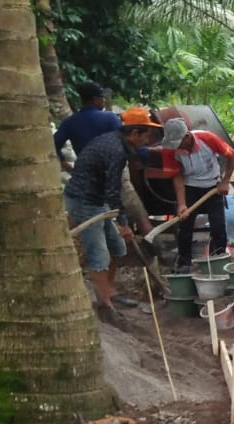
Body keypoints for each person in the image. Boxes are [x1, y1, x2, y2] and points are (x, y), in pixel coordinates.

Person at [63, 107, 162, 325]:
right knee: (98, 254)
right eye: (146, 134)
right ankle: (105, 306)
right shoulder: (115, 150)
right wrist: (124, 223)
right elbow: (112, 190)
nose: (148, 139)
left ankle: (108, 290)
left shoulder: (117, 144)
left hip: (98, 201)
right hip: (85, 201)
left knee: (117, 247)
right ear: (134, 134)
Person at [163, 118, 234, 272]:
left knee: (218, 225)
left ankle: (219, 258)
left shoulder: (207, 138)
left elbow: (232, 155)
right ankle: (184, 262)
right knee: (185, 226)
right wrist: (182, 204)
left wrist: (225, 181)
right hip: (190, 187)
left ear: (187, 136)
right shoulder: (170, 150)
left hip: (213, 187)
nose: (176, 147)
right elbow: (176, 176)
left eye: (179, 143)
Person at [54, 82, 120, 172]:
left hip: (84, 174)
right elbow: (124, 143)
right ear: (95, 99)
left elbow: (53, 145)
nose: (104, 100)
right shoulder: (110, 118)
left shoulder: (70, 122)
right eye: (102, 97)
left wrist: (68, 167)